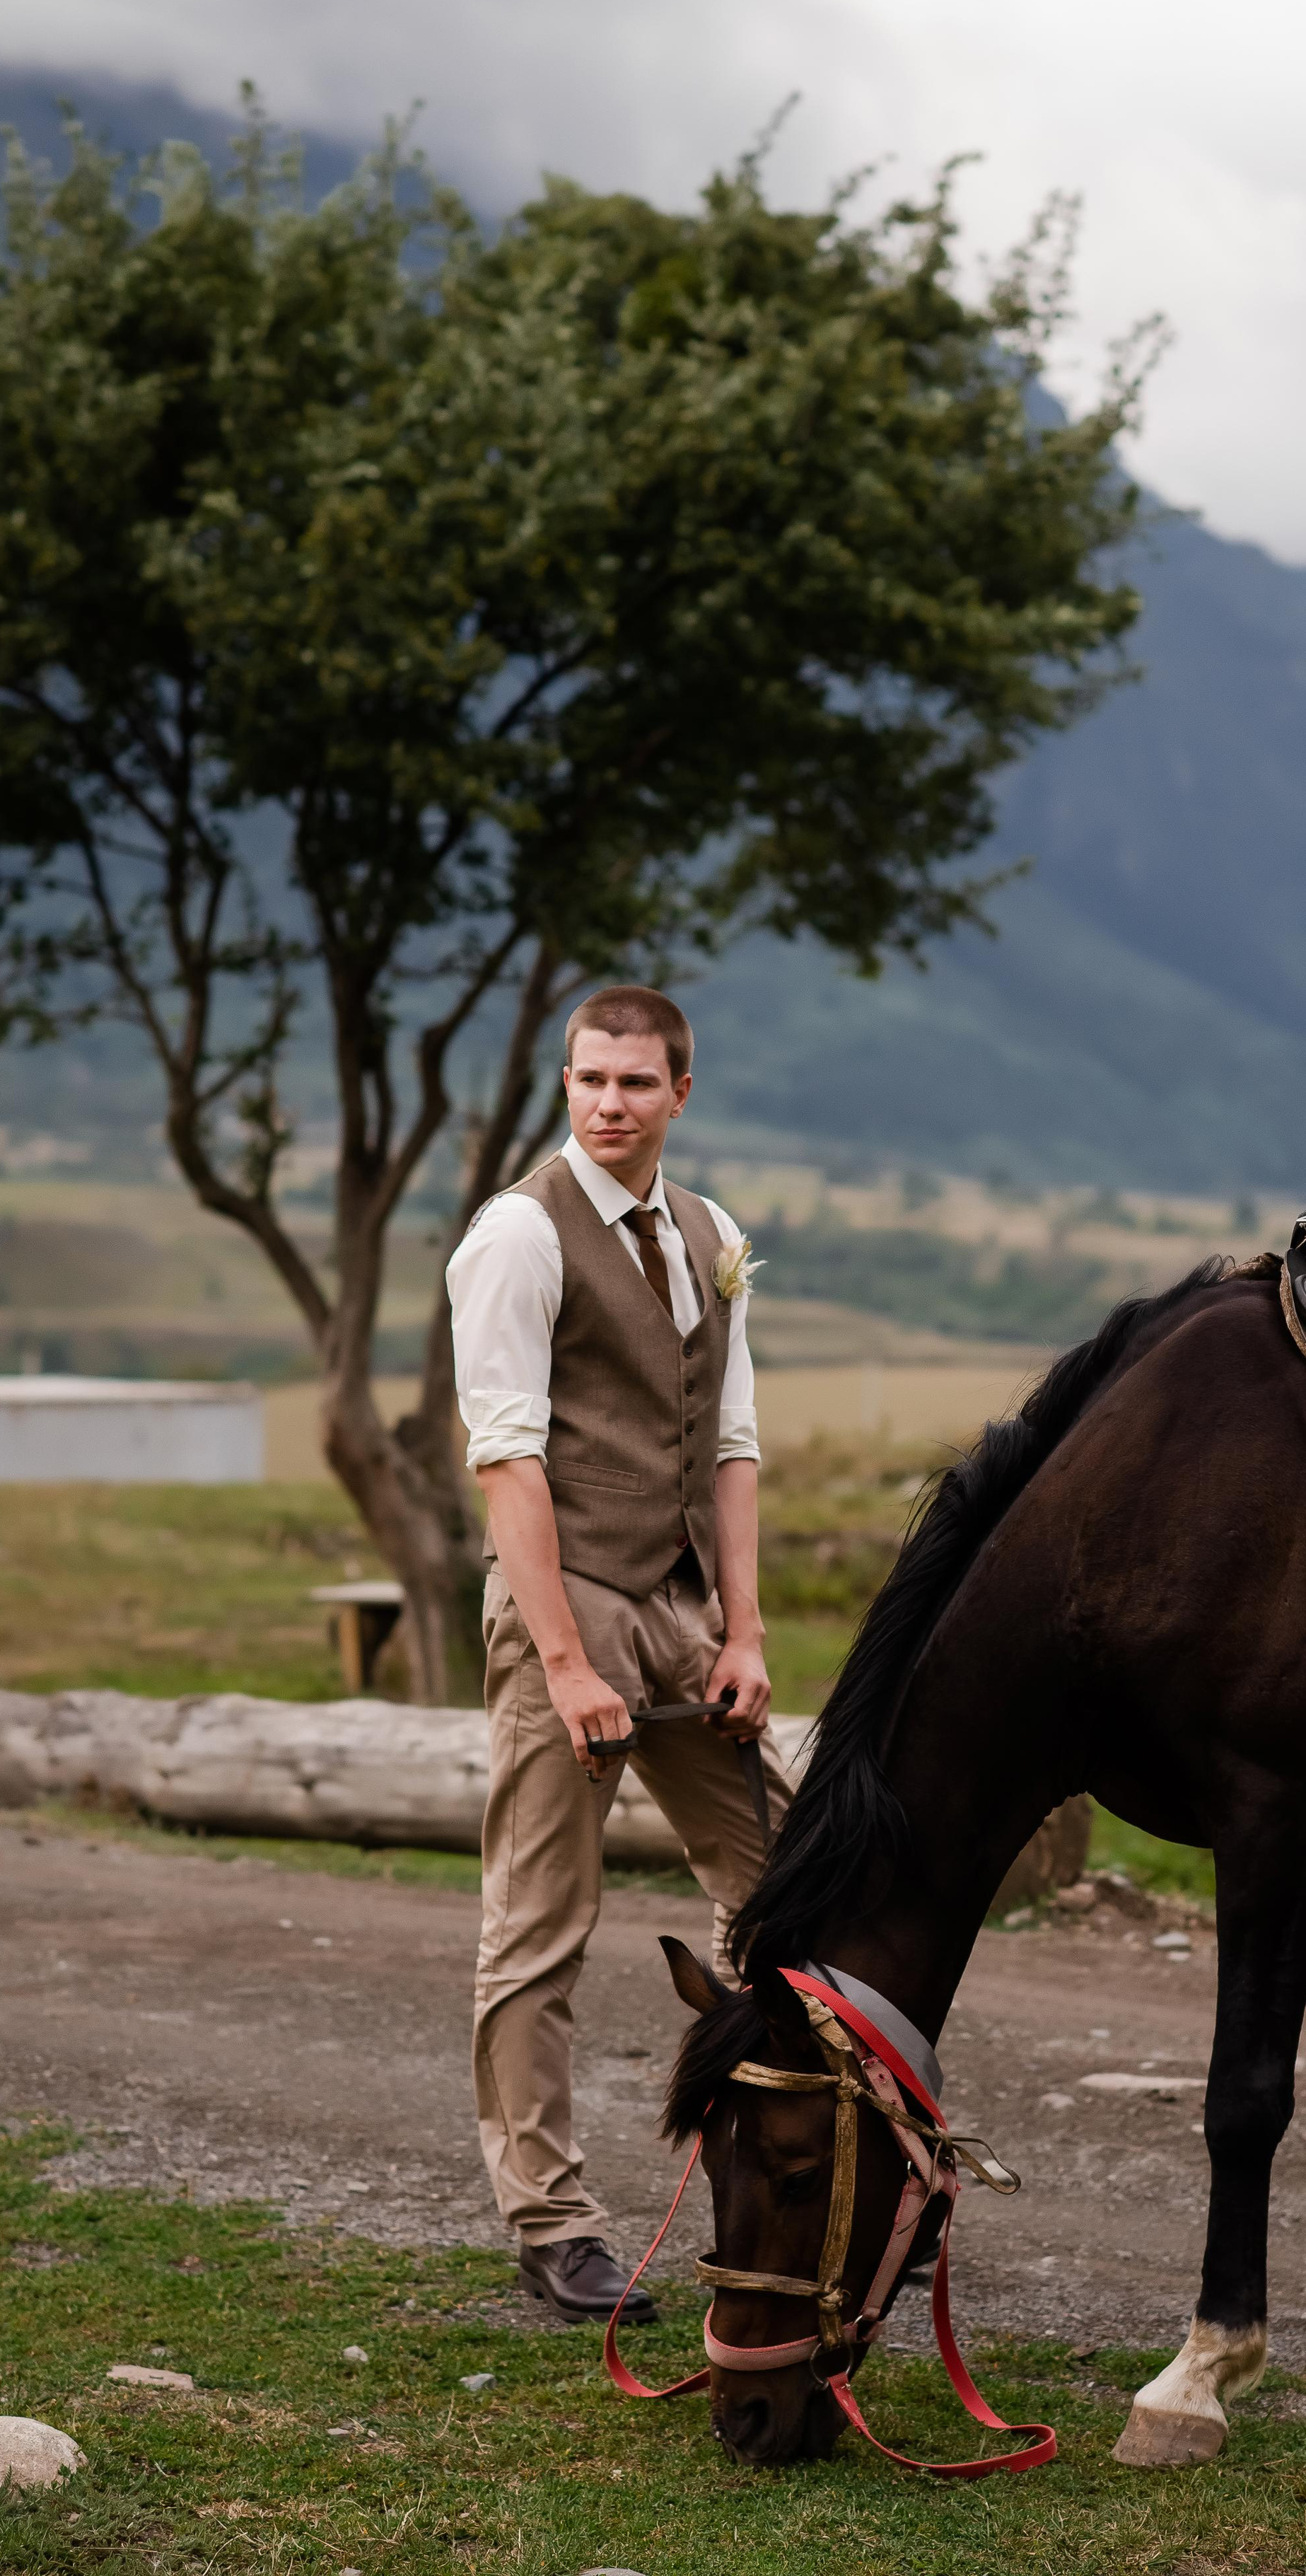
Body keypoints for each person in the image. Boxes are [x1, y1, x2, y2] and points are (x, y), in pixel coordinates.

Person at [446, 984, 791, 2326]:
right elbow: (507, 1459)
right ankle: (550, 2219)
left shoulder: (710, 1233)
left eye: (636, 1082)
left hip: (683, 1607)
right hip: (567, 1605)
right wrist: (567, 1662)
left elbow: (733, 1444)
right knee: (541, 1923)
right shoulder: (519, 1235)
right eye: (590, 1079)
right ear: (567, 1083)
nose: (609, 1103)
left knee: (792, 1882)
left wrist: (744, 1630)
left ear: (679, 1094)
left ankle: (792, 2172)